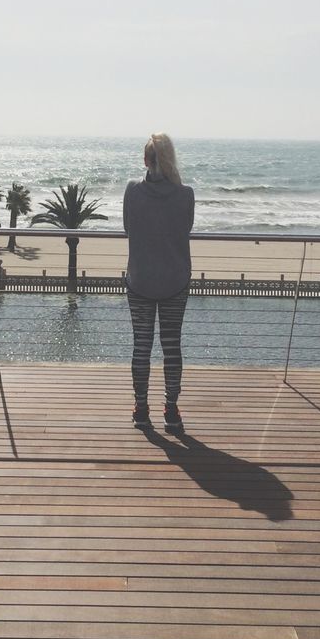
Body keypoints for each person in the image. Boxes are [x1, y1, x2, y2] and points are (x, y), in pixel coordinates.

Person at [123, 133, 195, 433]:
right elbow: (185, 230)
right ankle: (172, 409)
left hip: (140, 278)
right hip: (174, 279)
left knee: (142, 345)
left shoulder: (132, 191)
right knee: (171, 347)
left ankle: (141, 408)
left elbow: (129, 229)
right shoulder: (186, 194)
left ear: (145, 160)